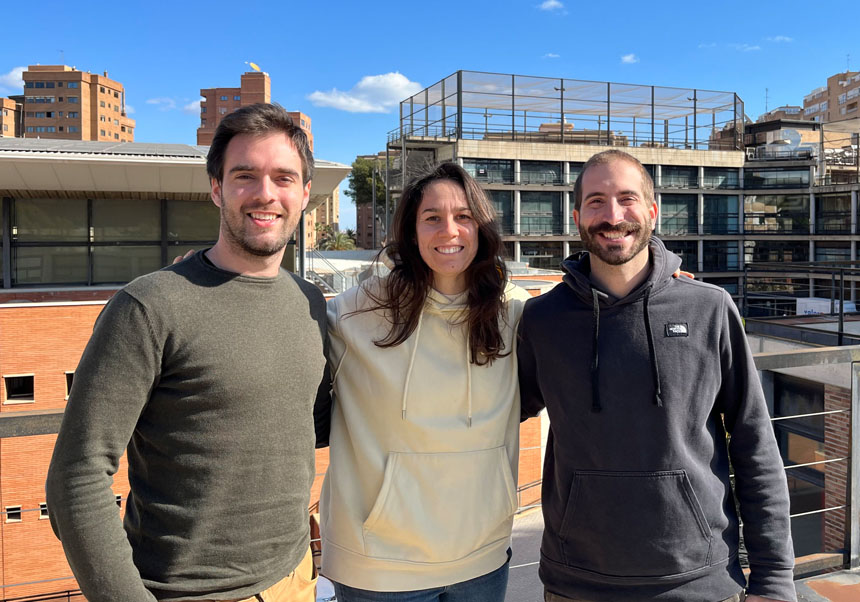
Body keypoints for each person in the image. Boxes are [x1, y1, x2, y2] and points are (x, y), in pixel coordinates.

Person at [45, 103, 329, 602]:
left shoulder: (308, 302)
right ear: (216, 187)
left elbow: (309, 424)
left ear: (305, 193)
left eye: (284, 177)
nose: (266, 194)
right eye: (245, 176)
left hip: (295, 580)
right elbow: (77, 476)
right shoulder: (149, 305)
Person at [518, 149, 796, 602]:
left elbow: (755, 447)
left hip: (702, 584)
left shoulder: (709, 308)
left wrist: (773, 580)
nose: (613, 215)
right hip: (577, 586)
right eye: (596, 201)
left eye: (627, 199)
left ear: (652, 211)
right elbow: (495, 411)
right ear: (576, 216)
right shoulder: (542, 319)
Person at [321, 162, 531, 601]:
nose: (448, 231)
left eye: (463, 217)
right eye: (432, 217)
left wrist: (660, 287)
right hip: (378, 565)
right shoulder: (355, 312)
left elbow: (590, 328)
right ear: (411, 231)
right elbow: (279, 321)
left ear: (482, 227)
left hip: (483, 556)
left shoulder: (513, 311)